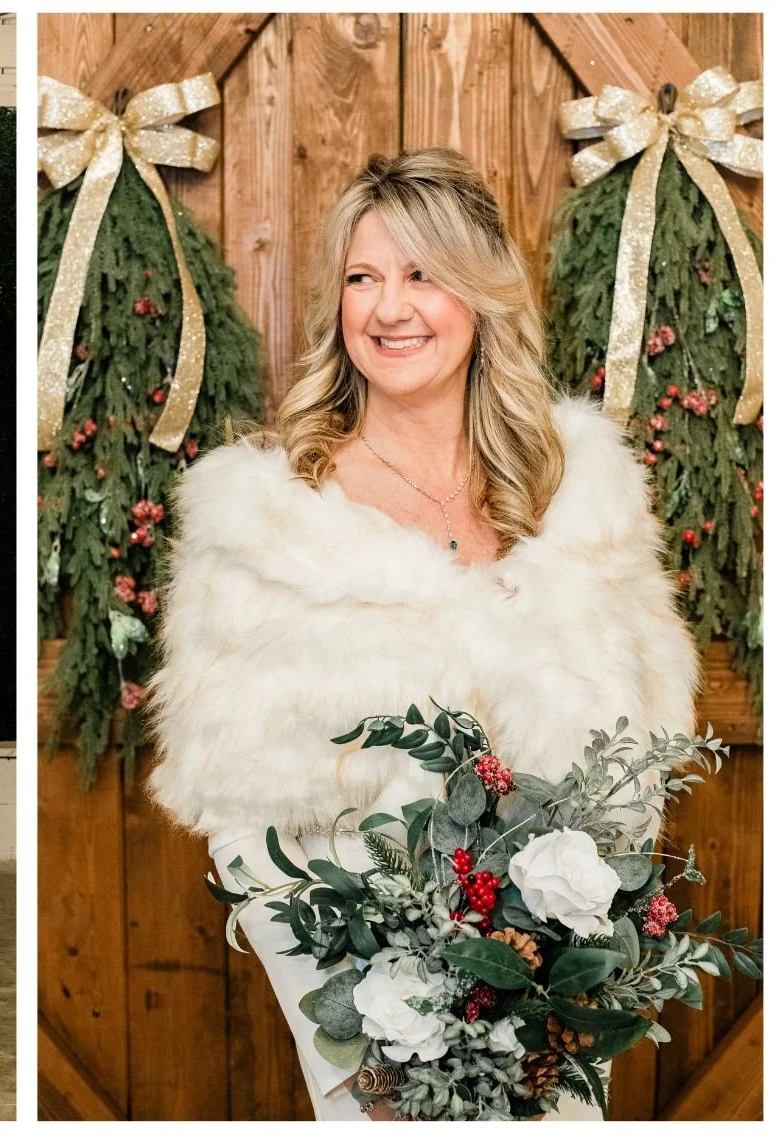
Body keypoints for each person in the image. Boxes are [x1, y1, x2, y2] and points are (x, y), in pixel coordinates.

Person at [146, 149, 699, 1121]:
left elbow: (641, 764)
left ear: (481, 296)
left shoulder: (582, 495)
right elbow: (241, 824)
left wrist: (574, 967)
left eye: (422, 275)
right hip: (374, 1013)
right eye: (364, 277)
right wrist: (377, 1007)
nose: (389, 308)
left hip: (558, 999)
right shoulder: (270, 520)